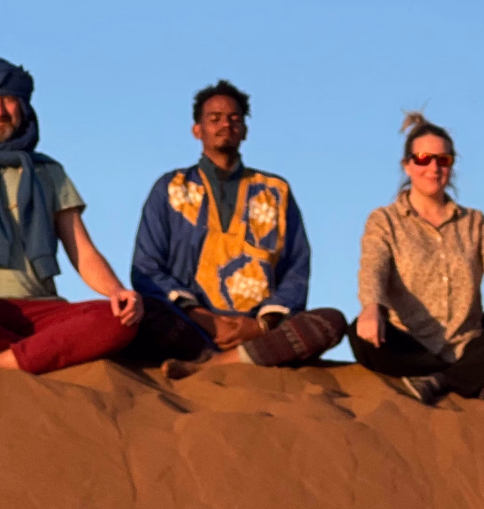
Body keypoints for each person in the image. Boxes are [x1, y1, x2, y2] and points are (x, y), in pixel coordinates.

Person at [0, 57, 143, 377]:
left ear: (24, 106)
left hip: (43, 310)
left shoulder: (50, 173)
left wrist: (117, 292)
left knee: (119, 319)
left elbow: (83, 252)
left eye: (8, 99)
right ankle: (43, 352)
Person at [131, 79, 345, 374]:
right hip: (193, 325)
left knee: (331, 322)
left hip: (260, 329)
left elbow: (296, 266)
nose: (225, 125)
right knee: (142, 313)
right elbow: (146, 267)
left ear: (244, 130)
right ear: (197, 130)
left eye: (234, 119)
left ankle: (216, 364)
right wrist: (204, 318)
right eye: (214, 119)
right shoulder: (170, 187)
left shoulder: (275, 190)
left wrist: (259, 325)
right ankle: (229, 357)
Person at [351, 113, 484, 403]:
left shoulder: (475, 223)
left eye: (444, 160)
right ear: (407, 165)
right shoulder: (384, 220)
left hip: (468, 344)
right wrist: (371, 307)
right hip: (411, 347)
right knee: (358, 333)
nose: (433, 168)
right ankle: (479, 376)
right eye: (424, 158)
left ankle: (443, 380)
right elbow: (373, 267)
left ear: (451, 166)